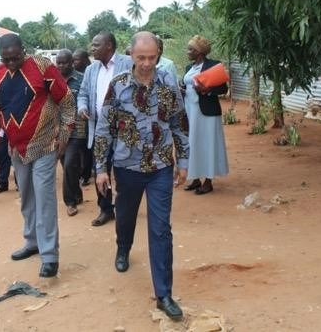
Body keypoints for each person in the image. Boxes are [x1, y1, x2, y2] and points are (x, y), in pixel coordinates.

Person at [94, 32, 189, 321]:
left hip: (160, 167)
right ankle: (123, 248)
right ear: (131, 56)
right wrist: (100, 168)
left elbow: (179, 123)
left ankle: (164, 294)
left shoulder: (169, 84)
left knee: (161, 229)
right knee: (125, 216)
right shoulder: (119, 85)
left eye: (152, 57)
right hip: (127, 167)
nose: (147, 63)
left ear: (158, 55)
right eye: (141, 58)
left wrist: (182, 160)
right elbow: (104, 129)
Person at [0, 33, 75, 278]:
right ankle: (32, 241)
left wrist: (65, 133)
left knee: (44, 197)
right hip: (16, 148)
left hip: (45, 144)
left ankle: (49, 256)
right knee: (26, 196)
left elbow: (66, 99)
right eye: (6, 59)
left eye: (15, 57)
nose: (11, 62)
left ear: (23, 50)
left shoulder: (42, 66)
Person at [77, 31, 133, 226]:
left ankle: (125, 208)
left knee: (124, 171)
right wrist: (83, 107)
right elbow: (83, 93)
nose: (92, 48)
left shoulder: (128, 63)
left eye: (96, 45)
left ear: (109, 46)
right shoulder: (92, 69)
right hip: (99, 129)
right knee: (100, 169)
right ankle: (105, 209)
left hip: (124, 129)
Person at [182, 35, 229, 194]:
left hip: (207, 112)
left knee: (208, 144)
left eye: (191, 49)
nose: (187, 52)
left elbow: (223, 89)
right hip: (190, 110)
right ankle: (195, 178)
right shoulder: (189, 68)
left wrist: (207, 90)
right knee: (192, 143)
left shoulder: (213, 65)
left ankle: (208, 181)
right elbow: (187, 86)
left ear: (200, 52)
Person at [55, 49, 86, 216]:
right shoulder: (52, 81)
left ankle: (70, 202)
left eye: (64, 62)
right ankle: (77, 192)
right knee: (66, 164)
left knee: (69, 165)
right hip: (58, 131)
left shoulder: (81, 80)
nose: (61, 66)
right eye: (58, 63)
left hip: (75, 130)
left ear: (72, 63)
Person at [72, 49, 93, 185]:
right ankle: (81, 172)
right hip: (79, 116)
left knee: (87, 148)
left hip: (90, 118)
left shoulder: (90, 75)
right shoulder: (75, 76)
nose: (73, 63)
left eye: (76, 60)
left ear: (85, 60)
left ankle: (86, 174)